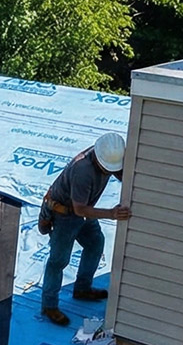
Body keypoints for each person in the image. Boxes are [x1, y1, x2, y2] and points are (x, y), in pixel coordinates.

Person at [39, 130, 133, 327]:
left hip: (82, 212)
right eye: (108, 168)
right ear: (99, 160)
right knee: (58, 260)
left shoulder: (108, 155)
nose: (111, 172)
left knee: (95, 243)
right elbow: (79, 208)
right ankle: (49, 305)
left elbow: (118, 171)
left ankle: (82, 288)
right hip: (65, 214)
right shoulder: (83, 170)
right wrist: (111, 214)